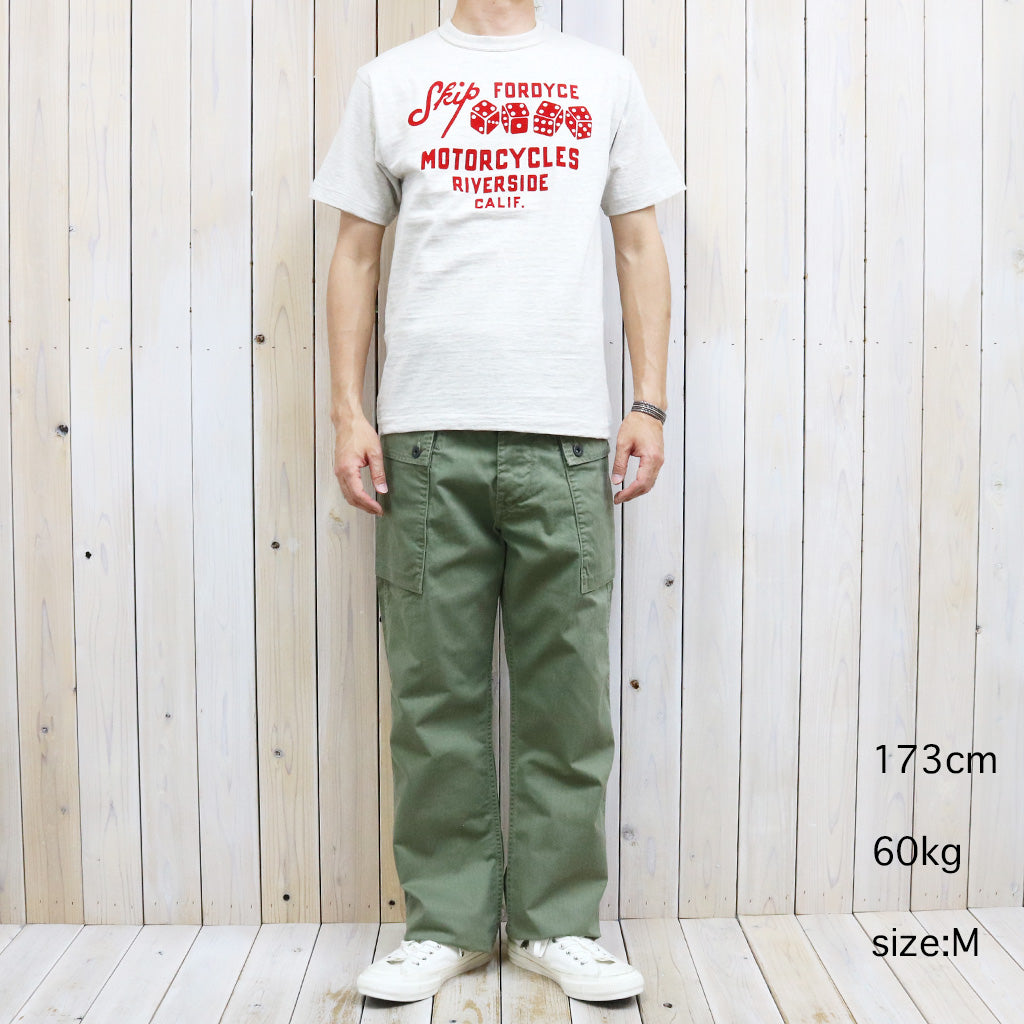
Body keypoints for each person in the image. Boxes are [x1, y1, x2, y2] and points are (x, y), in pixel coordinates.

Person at [310, 0, 684, 1005]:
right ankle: (447, 924)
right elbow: (354, 251)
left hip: (567, 433)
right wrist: (348, 411)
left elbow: (639, 242)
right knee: (433, 691)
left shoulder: (601, 78)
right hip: (425, 433)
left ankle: (558, 923)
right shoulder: (390, 81)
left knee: (568, 693)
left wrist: (647, 400)